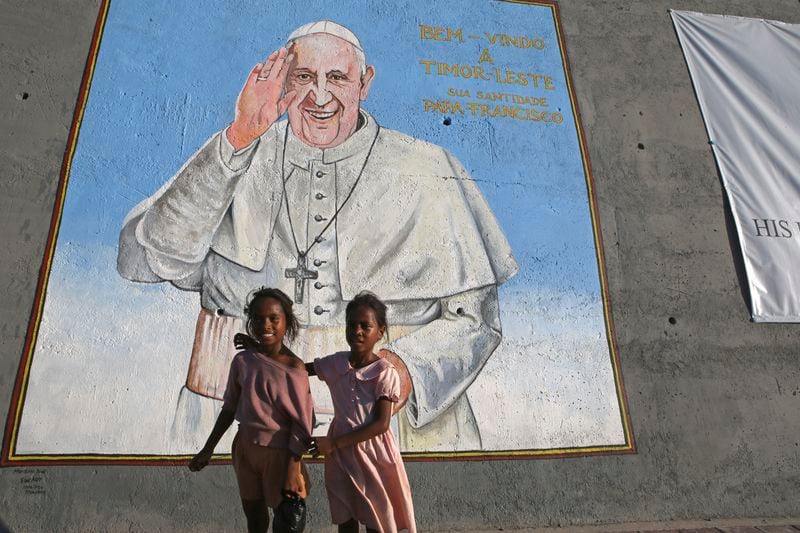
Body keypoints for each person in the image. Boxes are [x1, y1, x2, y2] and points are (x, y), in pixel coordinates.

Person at [117, 20, 518, 452]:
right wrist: (239, 137)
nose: (320, 97)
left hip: (391, 423)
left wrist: (405, 370)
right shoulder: (236, 152)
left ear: (365, 83)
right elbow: (148, 260)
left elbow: (475, 320)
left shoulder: (427, 170)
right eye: (304, 78)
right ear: (282, 81)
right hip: (234, 416)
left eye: (338, 78)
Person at [188, 288, 313, 533]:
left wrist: (292, 469)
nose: (265, 324)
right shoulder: (243, 361)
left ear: (287, 322)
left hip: (280, 455)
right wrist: (208, 448)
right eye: (258, 318)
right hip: (245, 450)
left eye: (273, 318)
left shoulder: (294, 369)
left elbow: (303, 425)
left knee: (286, 522)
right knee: (255, 520)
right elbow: (230, 408)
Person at [311, 292, 416, 533]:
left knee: (376, 518)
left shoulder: (384, 373)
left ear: (380, 331)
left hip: (373, 455)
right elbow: (299, 369)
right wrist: (267, 349)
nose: (357, 330)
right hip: (340, 456)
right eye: (351, 324)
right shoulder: (336, 364)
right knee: (345, 516)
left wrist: (333, 443)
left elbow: (381, 424)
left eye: (365, 326)